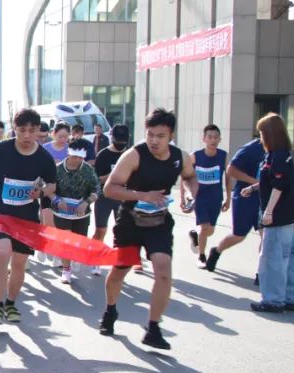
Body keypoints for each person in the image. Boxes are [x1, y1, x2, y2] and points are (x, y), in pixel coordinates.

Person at [100, 108, 198, 350]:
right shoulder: (134, 156)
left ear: (171, 136)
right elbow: (110, 189)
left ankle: (153, 328)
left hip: (159, 222)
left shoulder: (181, 157)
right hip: (130, 222)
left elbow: (189, 177)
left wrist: (191, 195)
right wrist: (143, 195)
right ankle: (110, 310)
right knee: (119, 272)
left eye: (160, 136)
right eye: (150, 134)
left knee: (163, 271)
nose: (154, 141)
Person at [0, 108, 57, 322]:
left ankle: (10, 304)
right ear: (14, 129)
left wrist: (41, 192)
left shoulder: (44, 157)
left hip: (26, 218)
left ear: (39, 130)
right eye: (22, 130)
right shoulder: (2, 148)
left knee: (19, 263)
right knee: (3, 253)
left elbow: (52, 185)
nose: (27, 135)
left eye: (32, 130)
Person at [244, 113, 294, 312]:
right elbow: (272, 180)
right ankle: (288, 298)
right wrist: (253, 188)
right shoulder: (281, 153)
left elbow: (279, 184)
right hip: (289, 214)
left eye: (261, 133)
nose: (260, 137)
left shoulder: (277, 155)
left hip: (278, 216)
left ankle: (272, 300)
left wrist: (268, 212)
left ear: (270, 134)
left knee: (272, 259)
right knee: (288, 258)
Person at [203, 133, 265, 274]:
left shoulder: (275, 148)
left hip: (263, 199)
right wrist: (255, 183)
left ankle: (261, 273)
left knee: (265, 236)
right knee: (239, 235)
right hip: (245, 198)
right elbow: (231, 169)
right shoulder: (250, 149)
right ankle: (216, 251)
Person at [49, 140, 101, 284]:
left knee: (78, 241)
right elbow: (48, 188)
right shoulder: (57, 169)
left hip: (81, 212)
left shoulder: (88, 170)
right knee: (65, 240)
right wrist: (56, 200)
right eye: (75, 156)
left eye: (81, 157)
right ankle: (66, 269)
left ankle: (75, 257)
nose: (78, 160)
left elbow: (97, 190)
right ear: (68, 153)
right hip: (61, 211)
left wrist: (86, 202)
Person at [184, 124, 230, 266]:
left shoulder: (224, 156)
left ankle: (195, 237)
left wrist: (228, 198)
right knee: (205, 227)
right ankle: (202, 256)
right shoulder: (195, 156)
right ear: (204, 139)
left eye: (216, 137)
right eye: (210, 137)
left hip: (216, 198)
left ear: (220, 139)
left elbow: (228, 178)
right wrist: (186, 196)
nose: (213, 140)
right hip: (200, 198)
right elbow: (185, 176)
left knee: (210, 231)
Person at [91, 124, 129, 276]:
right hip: (104, 197)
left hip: (123, 198)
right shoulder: (103, 155)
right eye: (118, 141)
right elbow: (96, 179)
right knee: (100, 230)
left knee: (122, 231)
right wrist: (113, 175)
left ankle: (117, 260)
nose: (120, 144)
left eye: (123, 142)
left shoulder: (129, 155)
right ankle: (95, 259)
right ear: (112, 138)